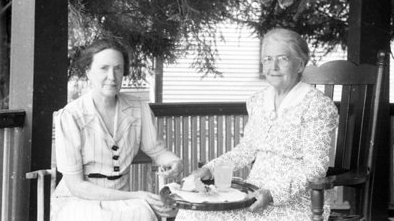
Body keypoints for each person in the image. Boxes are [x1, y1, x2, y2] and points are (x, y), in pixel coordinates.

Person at [175, 28, 338, 221]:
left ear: (300, 64)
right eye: (267, 59)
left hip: (295, 203)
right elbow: (246, 150)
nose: (273, 66)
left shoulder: (316, 105)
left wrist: (271, 193)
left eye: (282, 59)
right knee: (192, 213)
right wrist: (209, 169)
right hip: (251, 195)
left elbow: (315, 167)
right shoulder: (259, 101)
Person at [51, 39, 183, 221]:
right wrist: (137, 196)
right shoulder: (72, 116)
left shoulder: (138, 107)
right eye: (103, 68)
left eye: (118, 68)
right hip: (78, 201)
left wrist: (175, 161)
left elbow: (157, 150)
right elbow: (77, 186)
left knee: (143, 214)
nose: (112, 77)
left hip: (122, 200)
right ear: (88, 72)